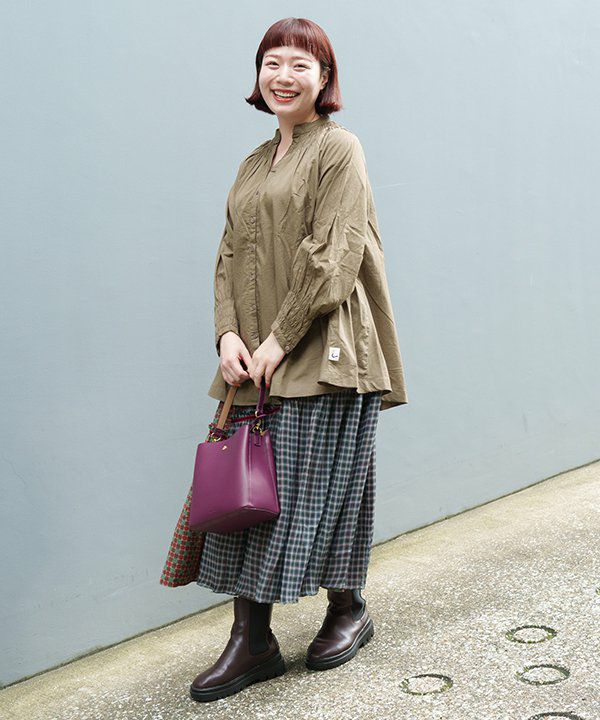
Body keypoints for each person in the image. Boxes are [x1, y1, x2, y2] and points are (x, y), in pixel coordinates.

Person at [160, 17, 408, 703]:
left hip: (326, 349)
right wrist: (227, 336)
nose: (284, 75)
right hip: (255, 357)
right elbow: (228, 256)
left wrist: (279, 337)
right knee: (253, 494)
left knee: (325, 487)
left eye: (301, 63)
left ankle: (347, 608)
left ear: (324, 79)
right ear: (258, 74)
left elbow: (336, 252)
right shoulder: (253, 162)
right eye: (273, 62)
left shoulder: (339, 149)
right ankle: (253, 639)